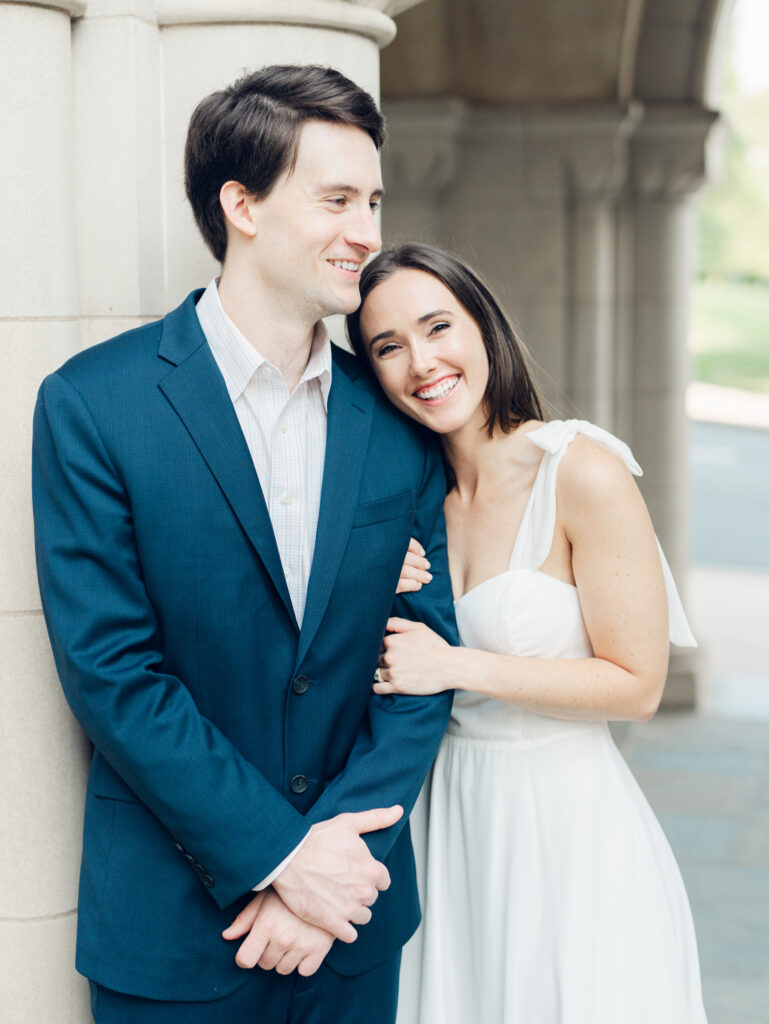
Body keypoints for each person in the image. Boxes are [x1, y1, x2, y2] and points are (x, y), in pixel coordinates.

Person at [31, 69, 456, 1023]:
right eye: (337, 200)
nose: (367, 232)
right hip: (173, 931)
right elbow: (112, 673)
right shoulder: (94, 405)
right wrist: (279, 857)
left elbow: (422, 669)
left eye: (374, 201)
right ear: (243, 206)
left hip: (352, 927)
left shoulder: (397, 424)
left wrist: (332, 872)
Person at [347, 242, 708, 1023]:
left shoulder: (578, 471)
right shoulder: (406, 501)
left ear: (482, 327)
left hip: (565, 829)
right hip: (446, 827)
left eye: (437, 326)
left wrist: (455, 665)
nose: (421, 362)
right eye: (387, 346)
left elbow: (636, 685)